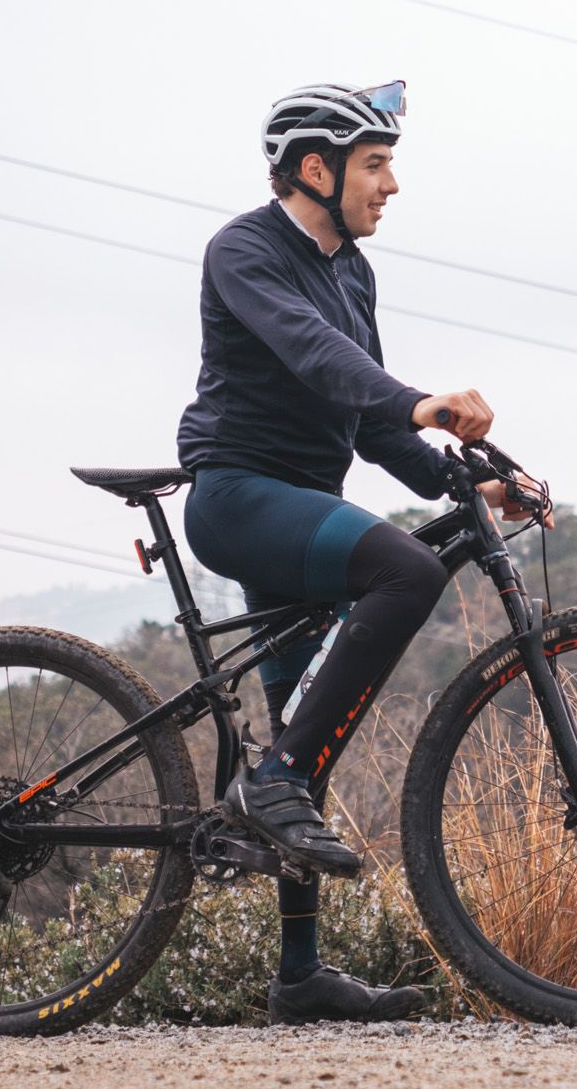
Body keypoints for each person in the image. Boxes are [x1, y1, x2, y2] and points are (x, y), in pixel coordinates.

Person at [175, 80, 548, 1024]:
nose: (391, 186)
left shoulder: (354, 273)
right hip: (237, 497)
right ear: (316, 167)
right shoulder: (246, 250)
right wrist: (418, 396)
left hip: (304, 504)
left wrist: (466, 483)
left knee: (307, 732)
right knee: (407, 571)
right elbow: (316, 357)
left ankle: (300, 975)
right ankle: (274, 783)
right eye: (375, 165)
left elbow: (369, 420)